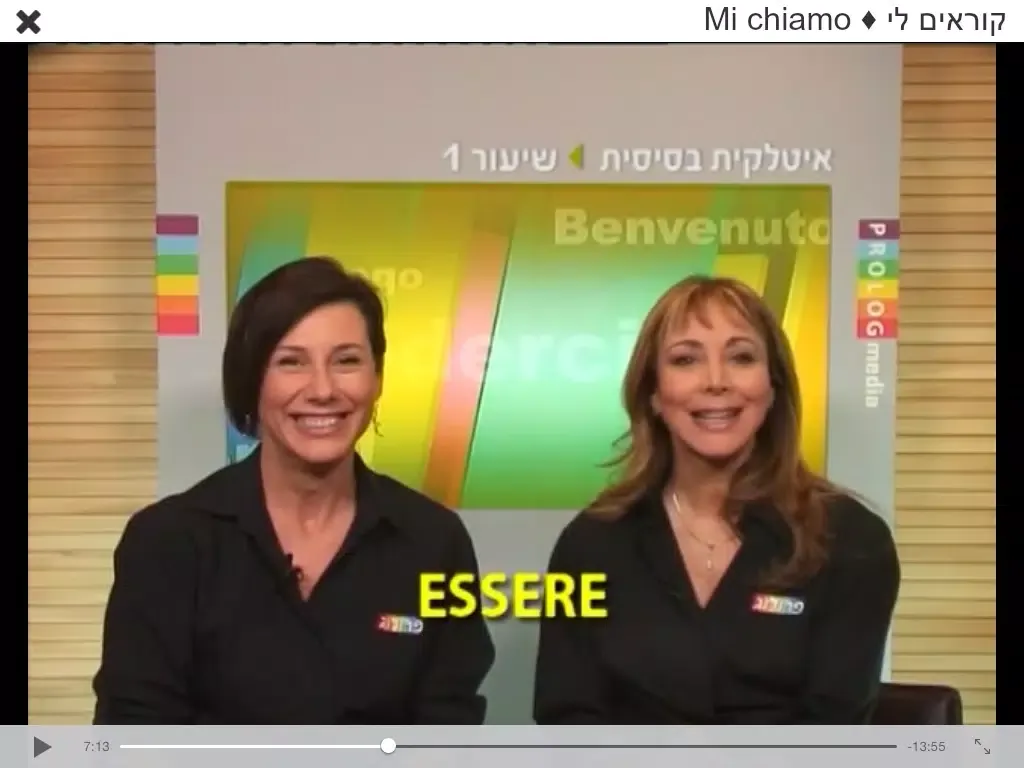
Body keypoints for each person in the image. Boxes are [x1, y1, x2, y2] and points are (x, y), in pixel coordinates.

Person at [94, 256, 495, 724]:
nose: (323, 389)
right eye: (291, 362)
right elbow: (134, 737)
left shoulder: (433, 541)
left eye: (346, 361)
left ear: (377, 378)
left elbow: (448, 733)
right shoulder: (169, 541)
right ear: (251, 380)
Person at [533, 275, 901, 725]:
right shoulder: (591, 544)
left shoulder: (850, 541)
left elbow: (831, 733)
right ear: (653, 393)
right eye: (686, 359)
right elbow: (569, 720)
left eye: (741, 357)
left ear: (772, 388)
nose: (715, 381)